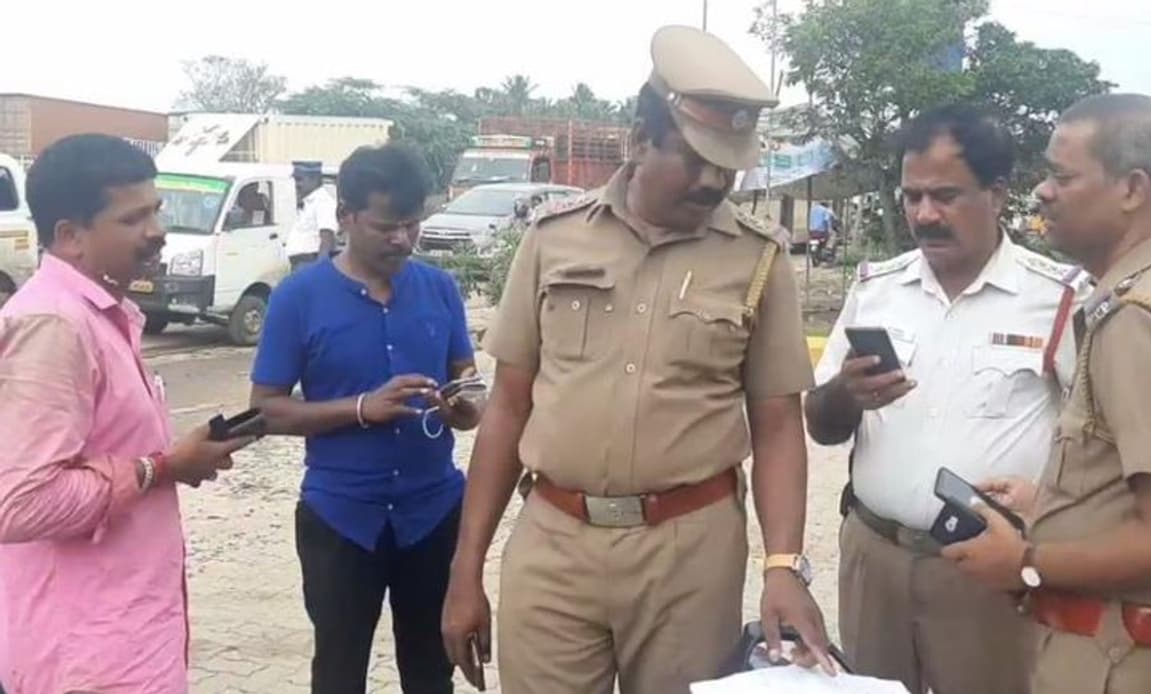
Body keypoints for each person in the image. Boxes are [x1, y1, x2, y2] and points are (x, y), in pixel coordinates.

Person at [441, 24, 835, 694]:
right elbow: (508, 406)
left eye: (727, 165)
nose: (713, 180)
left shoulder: (758, 258)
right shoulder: (553, 239)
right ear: (638, 140)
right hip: (554, 546)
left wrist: (783, 566)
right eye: (696, 158)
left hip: (690, 556)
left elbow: (776, 426)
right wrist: (465, 567)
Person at [943, 94, 1151, 694]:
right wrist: (1055, 507)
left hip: (1129, 662)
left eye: (1062, 176)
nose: (1042, 192)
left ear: (1132, 189)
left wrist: (1025, 563)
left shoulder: (1140, 319)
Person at [805, 104, 1090, 694]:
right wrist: (847, 394)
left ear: (997, 194)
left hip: (988, 572)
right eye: (912, 196)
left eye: (945, 196)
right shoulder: (877, 289)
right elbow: (822, 426)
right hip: (876, 559)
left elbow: (1097, 442)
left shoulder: (1059, 299)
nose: (924, 214)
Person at [0, 134, 256, 693]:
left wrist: (173, 460)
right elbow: (20, 503)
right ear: (70, 236)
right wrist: (160, 468)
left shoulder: (99, 315)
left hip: (125, 638)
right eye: (133, 218)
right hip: (87, 659)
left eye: (156, 210)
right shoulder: (54, 326)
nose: (157, 230)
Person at [251, 143, 482, 694]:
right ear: (345, 216)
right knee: (338, 671)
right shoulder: (297, 298)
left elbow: (471, 392)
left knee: (432, 673)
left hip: (433, 514)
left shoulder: (439, 289)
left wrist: (463, 407)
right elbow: (264, 410)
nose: (401, 239)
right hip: (341, 517)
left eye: (411, 224)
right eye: (385, 226)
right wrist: (361, 408)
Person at [286, 160, 338, 272]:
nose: (296, 184)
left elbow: (327, 240)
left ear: (314, 179)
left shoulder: (323, 202)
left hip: (310, 261)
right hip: (301, 262)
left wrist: (319, 271)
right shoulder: (308, 202)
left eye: (299, 180)